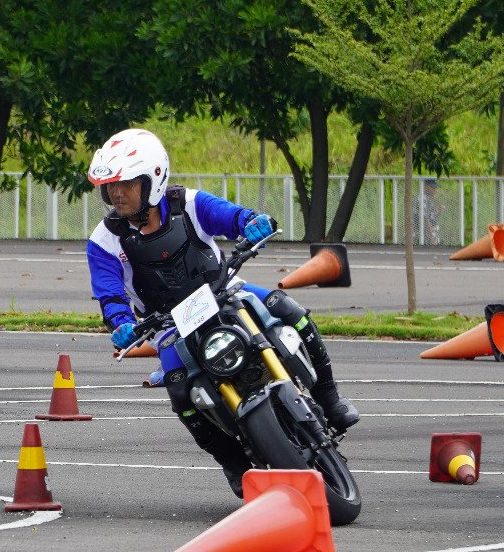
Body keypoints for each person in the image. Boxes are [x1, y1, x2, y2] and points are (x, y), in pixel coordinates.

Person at [85, 128, 359, 496]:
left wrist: (252, 222)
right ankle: (232, 462)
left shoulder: (191, 203)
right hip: (169, 324)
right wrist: (121, 324)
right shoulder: (103, 241)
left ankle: (330, 399)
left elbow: (233, 217)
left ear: (152, 179)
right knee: (180, 392)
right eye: (110, 186)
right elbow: (110, 294)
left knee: (289, 310)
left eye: (125, 183)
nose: (115, 193)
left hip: (222, 292)